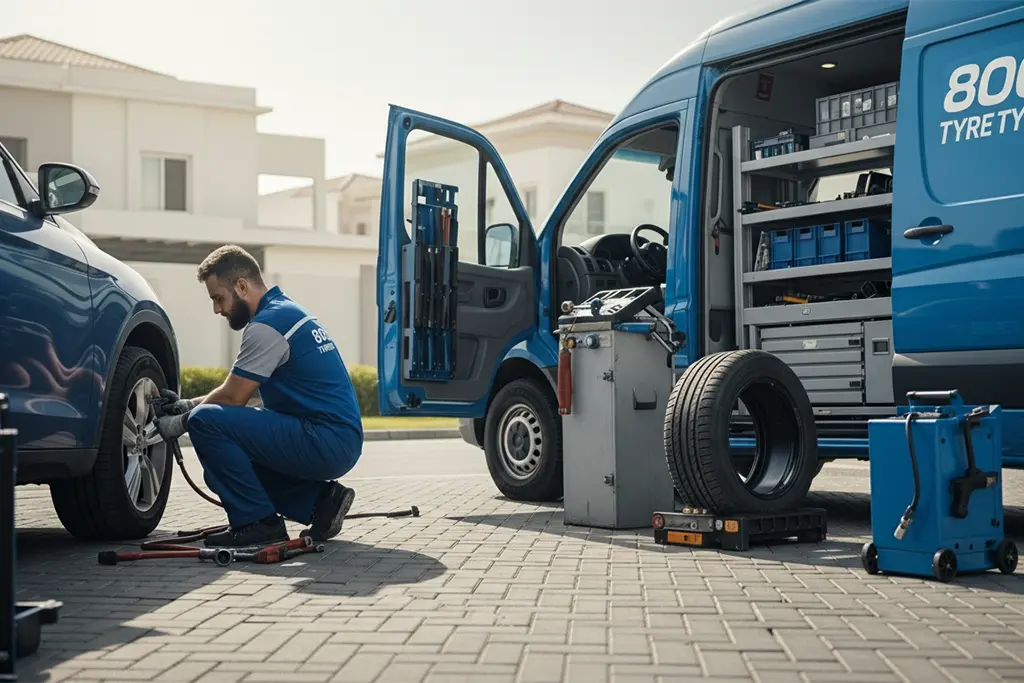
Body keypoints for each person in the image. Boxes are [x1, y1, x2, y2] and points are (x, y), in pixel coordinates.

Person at [153, 245, 363, 548]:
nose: (217, 309)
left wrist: (180, 422)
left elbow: (234, 398)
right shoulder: (286, 311)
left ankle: (258, 524)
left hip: (323, 439)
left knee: (205, 423)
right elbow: (244, 395)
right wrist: (186, 405)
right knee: (221, 473)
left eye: (218, 298)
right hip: (335, 437)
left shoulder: (267, 325)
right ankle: (321, 501)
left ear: (241, 286)